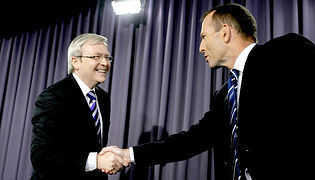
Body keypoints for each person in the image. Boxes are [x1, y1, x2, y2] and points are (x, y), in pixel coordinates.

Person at [100, 3, 315, 180]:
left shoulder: (286, 51)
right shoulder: (223, 95)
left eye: (204, 36)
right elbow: (192, 140)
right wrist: (129, 154)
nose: (201, 47)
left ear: (224, 32)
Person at [30, 33, 128, 180]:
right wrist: (96, 161)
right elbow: (41, 157)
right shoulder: (52, 97)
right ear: (75, 62)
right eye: (97, 57)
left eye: (107, 57)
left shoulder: (103, 98)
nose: (105, 63)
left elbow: (94, 146)